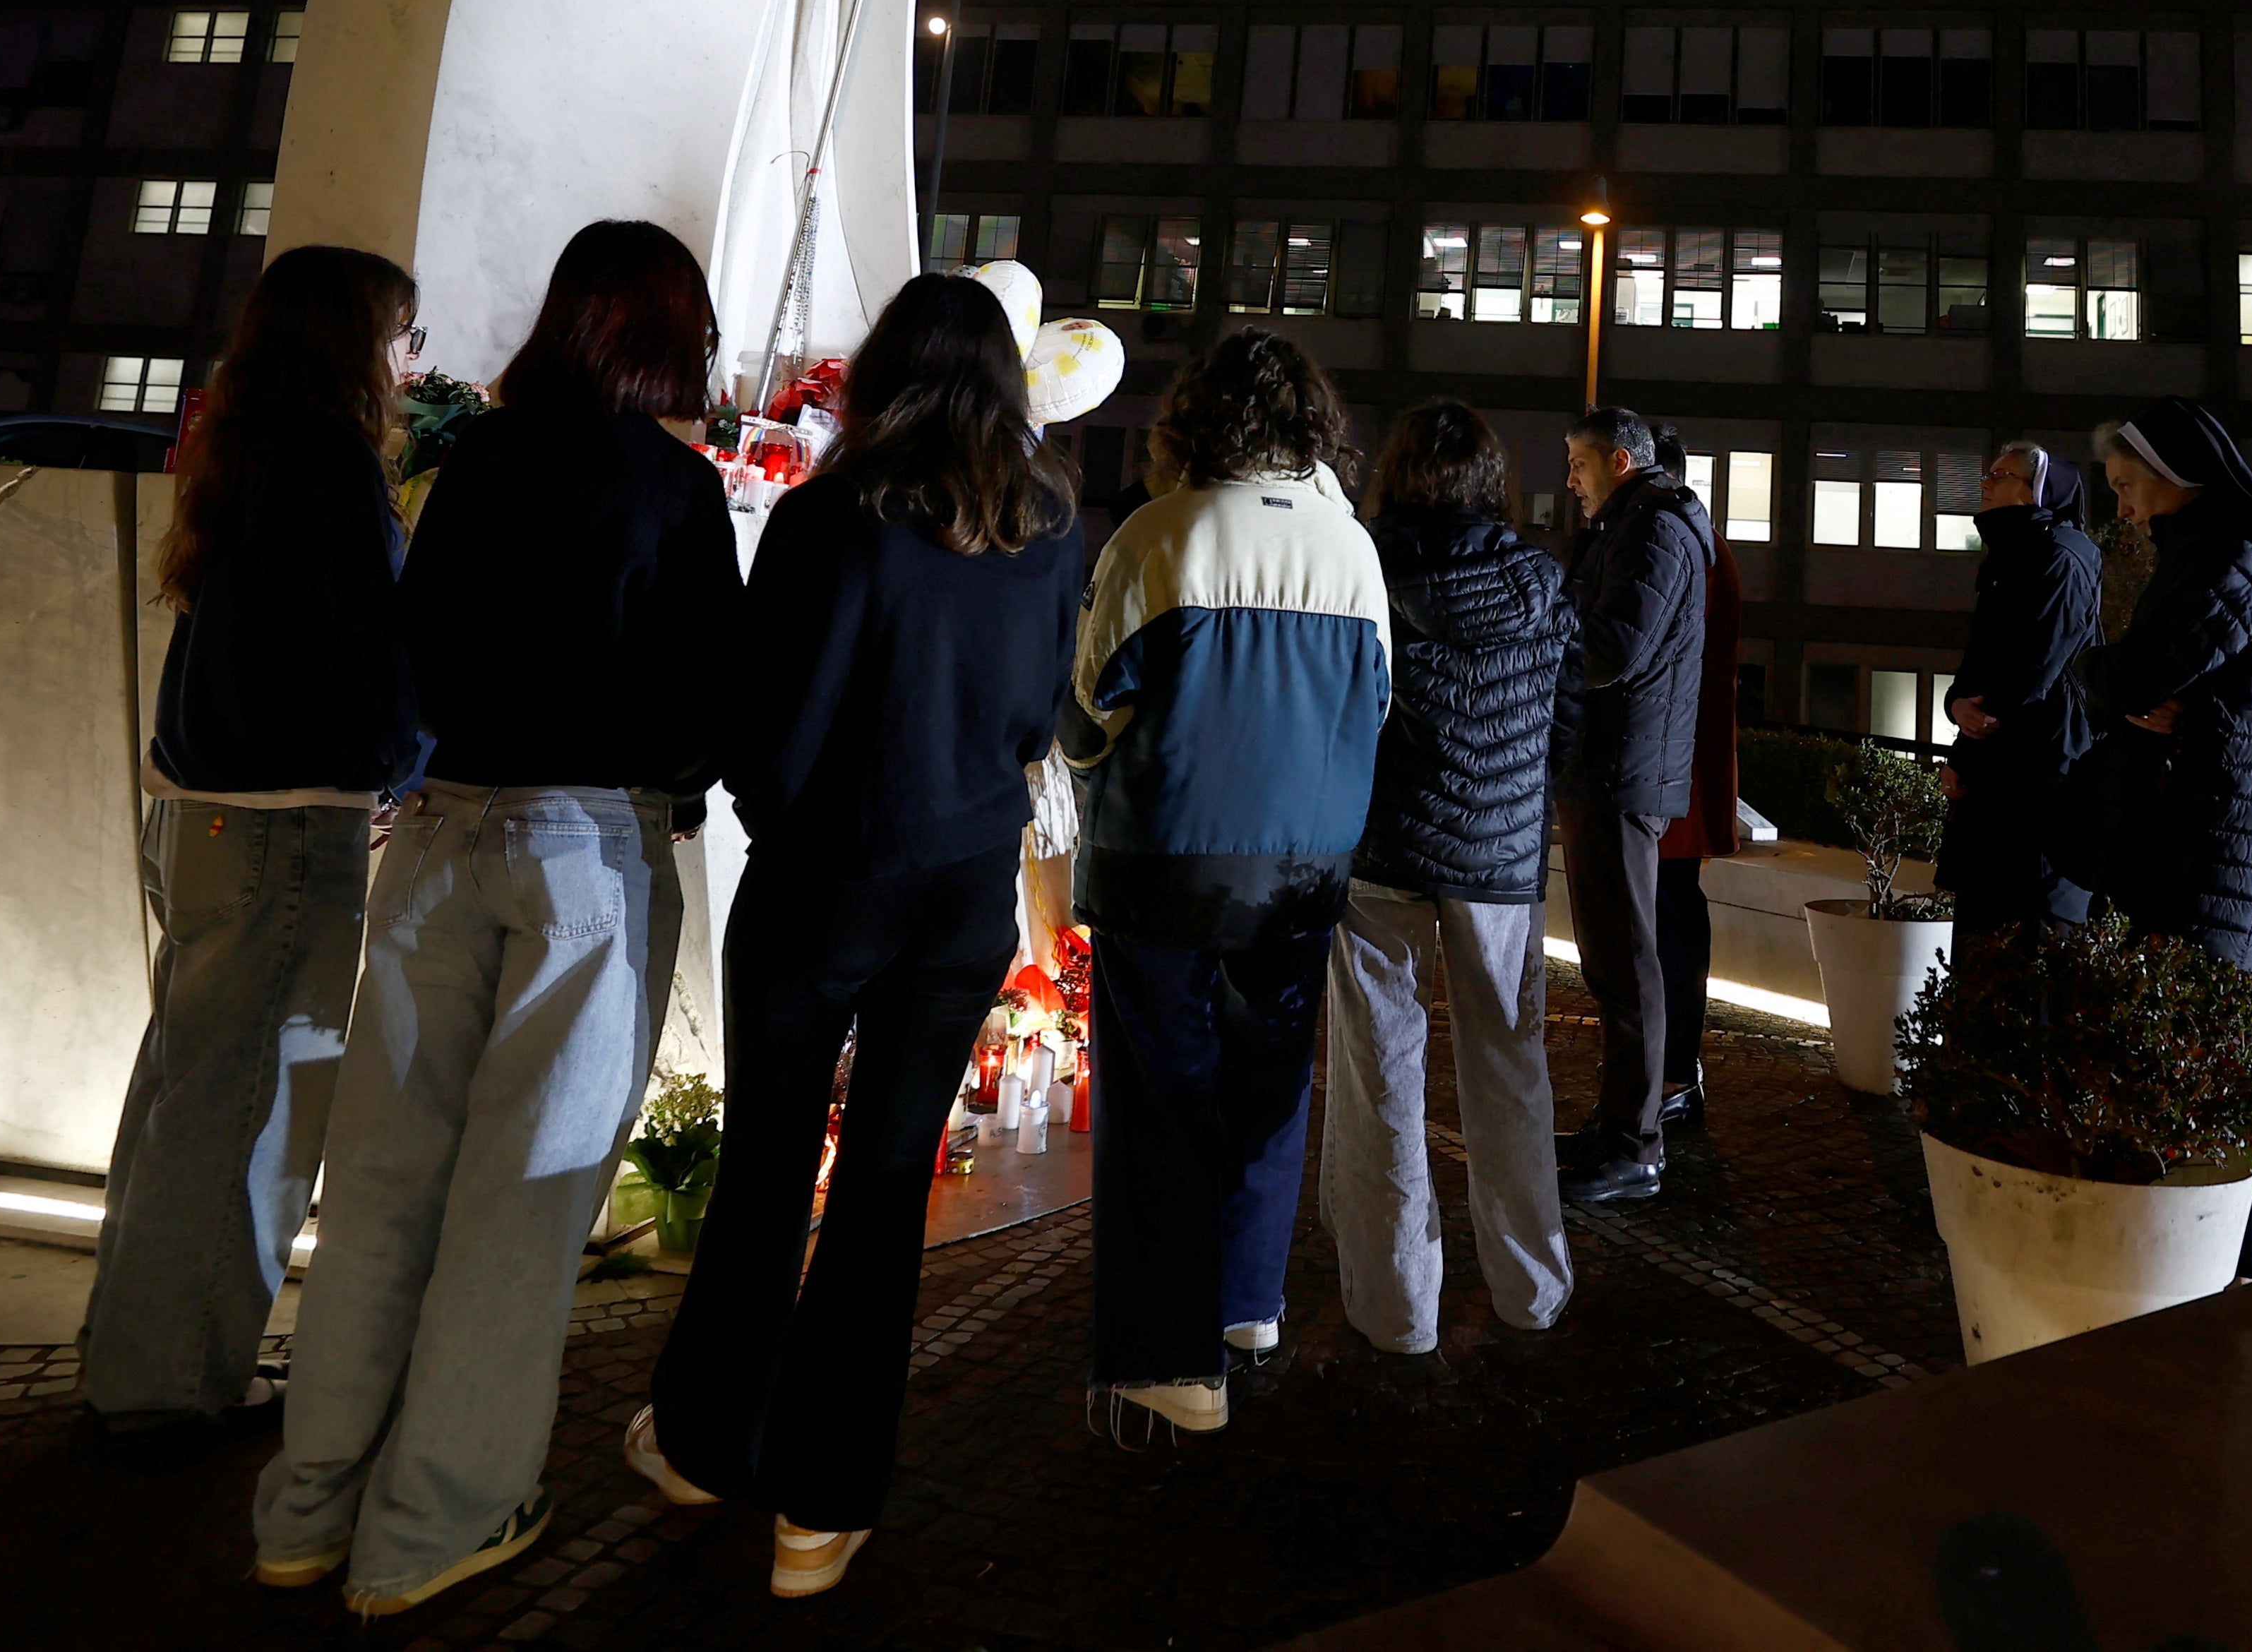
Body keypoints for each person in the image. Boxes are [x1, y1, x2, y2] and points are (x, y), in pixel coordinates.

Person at [256, 220, 743, 1615]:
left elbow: (413, 649)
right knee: (520, 1207)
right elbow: (709, 694)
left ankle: (310, 1505)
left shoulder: (469, 468)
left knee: (384, 1190)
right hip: (589, 847)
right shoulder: (672, 488)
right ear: (664, 343)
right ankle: (437, 1518)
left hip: (442, 834)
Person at [629, 272, 1084, 1598]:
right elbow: (1036, 710)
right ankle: (821, 1506)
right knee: (885, 1188)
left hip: (823, 876)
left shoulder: (834, 516)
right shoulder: (1047, 526)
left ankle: (710, 1439)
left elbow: (774, 707)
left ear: (881, 372)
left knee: (769, 1167)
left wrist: (778, 812)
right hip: (956, 888)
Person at [84, 244, 424, 1436]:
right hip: (284, 823)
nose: (409, 362)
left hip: (202, 811)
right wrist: (396, 762)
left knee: (185, 1092)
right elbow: (359, 654)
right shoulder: (330, 465)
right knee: (243, 1109)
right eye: (400, 333)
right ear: (352, 343)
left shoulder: (247, 448)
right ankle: (175, 1380)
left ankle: (137, 1357)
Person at [1060, 328, 1389, 1436]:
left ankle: (1167, 1358)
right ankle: (1249, 1301)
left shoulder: (1164, 534)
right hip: (1307, 864)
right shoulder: (1355, 550)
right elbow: (1377, 702)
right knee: (1270, 1082)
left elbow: (1088, 709)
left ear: (1193, 418)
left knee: (1159, 1098)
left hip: (1166, 858)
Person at [1322, 399, 1578, 1355]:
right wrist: (1519, 802)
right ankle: (1531, 1288)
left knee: (1378, 1067)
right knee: (1510, 1064)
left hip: (1381, 846)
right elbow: (1567, 722)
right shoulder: (1538, 579)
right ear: (1490, 481)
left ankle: (1396, 1305)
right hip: (1500, 856)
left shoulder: (1363, 564)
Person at [2080, 399, 2252, 1281]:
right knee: (2199, 1038)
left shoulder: (2229, 555)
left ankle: (2224, 1269)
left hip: (2207, 827)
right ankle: (2223, 1262)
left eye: (2128, 486)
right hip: (2207, 817)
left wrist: (2099, 671)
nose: (2123, 509)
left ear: (2175, 475)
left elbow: (2142, 670)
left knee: (2199, 1041)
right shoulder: (2218, 548)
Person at [1550, 406, 1714, 1205]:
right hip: (1611, 766)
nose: (1571, 479)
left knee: (1627, 963)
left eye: (1579, 463)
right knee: (1616, 963)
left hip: (1620, 770)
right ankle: (1620, 1124)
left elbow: (1614, 648)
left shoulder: (1651, 531)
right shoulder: (1638, 523)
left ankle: (1634, 1141)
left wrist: (1546, 634)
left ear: (1618, 460)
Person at [1939, 441, 2104, 935]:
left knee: (2028, 933)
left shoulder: (2060, 556)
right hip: (2004, 766)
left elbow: (2033, 665)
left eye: (2002, 474)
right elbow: (1982, 657)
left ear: (2039, 490)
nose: (1986, 483)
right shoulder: (2011, 553)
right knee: (1983, 930)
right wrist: (1956, 703)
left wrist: (1967, 746)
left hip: (2038, 772)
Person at [1649, 428, 1743, 1127]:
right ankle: (1673, 1071)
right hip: (1676, 764)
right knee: (1672, 915)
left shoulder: (1681, 545)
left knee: (1669, 921)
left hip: (1666, 765)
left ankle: (1674, 1073)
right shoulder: (1701, 539)